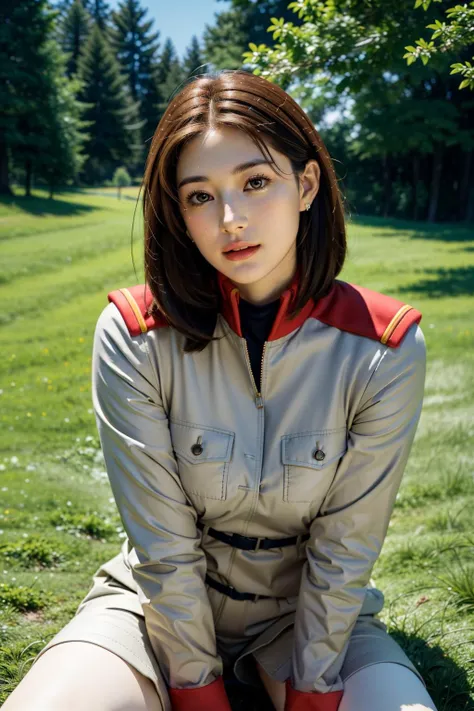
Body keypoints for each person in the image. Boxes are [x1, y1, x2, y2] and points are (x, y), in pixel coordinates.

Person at [3, 69, 438, 711]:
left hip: (307, 616)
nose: (231, 220)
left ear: (307, 184)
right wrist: (196, 687)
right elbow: (162, 542)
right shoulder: (133, 334)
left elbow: (346, 548)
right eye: (200, 196)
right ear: (178, 212)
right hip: (150, 609)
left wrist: (314, 689)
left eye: (256, 182)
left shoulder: (384, 348)